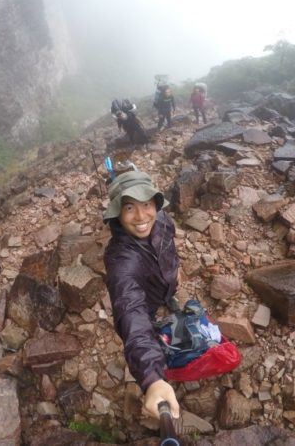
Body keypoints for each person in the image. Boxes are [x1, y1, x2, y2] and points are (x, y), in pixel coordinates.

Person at [103, 170, 181, 420]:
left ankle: (168, 298)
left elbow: (170, 242)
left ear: (155, 204)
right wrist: (152, 379)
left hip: (165, 285)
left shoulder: (162, 220)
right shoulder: (121, 260)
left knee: (167, 299)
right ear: (117, 212)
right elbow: (131, 312)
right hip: (144, 302)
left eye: (146, 204)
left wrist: (175, 273)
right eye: (129, 208)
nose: (141, 217)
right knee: (145, 320)